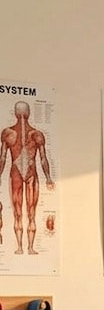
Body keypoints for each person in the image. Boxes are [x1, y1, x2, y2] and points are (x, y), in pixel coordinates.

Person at [0, 101, 55, 255]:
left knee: (19, 213)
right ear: (29, 113)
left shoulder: (8, 133)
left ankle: (21, 247)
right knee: (31, 213)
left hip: (17, 173)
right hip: (30, 173)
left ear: (15, 113)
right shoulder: (36, 135)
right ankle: (28, 248)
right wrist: (48, 178)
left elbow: (3, 158)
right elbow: (43, 158)